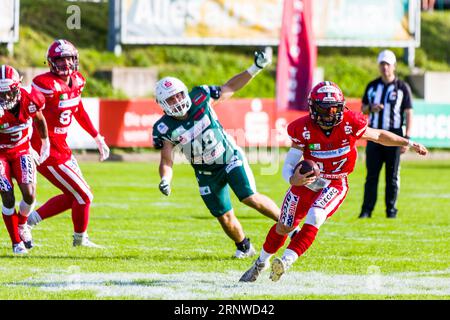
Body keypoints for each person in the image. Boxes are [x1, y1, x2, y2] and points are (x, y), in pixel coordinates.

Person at [239, 81, 427, 282]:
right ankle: (261, 262)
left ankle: (285, 261)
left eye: (334, 108)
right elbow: (290, 163)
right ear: (313, 108)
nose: (329, 113)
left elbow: (379, 135)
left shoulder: (350, 122)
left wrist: (408, 142)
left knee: (316, 215)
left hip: (335, 182)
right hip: (308, 181)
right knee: (284, 225)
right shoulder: (302, 128)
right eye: (324, 108)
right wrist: (292, 178)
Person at [152, 51, 282, 258]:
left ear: (185, 92)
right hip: (205, 172)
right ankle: (244, 247)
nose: (176, 100)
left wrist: (255, 68)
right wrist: (165, 179)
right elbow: (167, 159)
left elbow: (229, 87)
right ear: (162, 103)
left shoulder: (201, 97)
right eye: (170, 98)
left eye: (178, 94)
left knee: (249, 197)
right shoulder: (164, 127)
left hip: (228, 158)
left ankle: (290, 226)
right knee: (224, 216)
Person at [25, 39, 110, 247]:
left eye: (70, 59)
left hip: (62, 147)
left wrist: (97, 136)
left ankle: (27, 222)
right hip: (44, 150)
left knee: (75, 195)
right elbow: (29, 111)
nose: (66, 64)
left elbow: (78, 109)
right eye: (61, 60)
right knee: (84, 195)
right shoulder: (44, 84)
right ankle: (79, 240)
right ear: (51, 62)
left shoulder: (79, 80)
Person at [0, 64, 50, 254]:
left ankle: (22, 225)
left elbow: (39, 118)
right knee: (7, 194)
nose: (5, 97)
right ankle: (15, 243)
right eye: (1, 93)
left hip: (21, 149)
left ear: (17, 86)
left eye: (8, 92)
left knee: (29, 194)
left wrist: (45, 143)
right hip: (0, 153)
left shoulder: (30, 96)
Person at [358, 49, 414, 219]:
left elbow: (409, 112)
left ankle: (391, 211)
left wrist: (407, 138)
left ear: (394, 66)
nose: (384, 68)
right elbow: (363, 108)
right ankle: (366, 211)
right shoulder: (372, 86)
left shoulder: (402, 87)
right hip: (374, 135)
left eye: (387, 64)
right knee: (371, 176)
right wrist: (371, 108)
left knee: (392, 176)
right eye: (382, 64)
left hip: (395, 134)